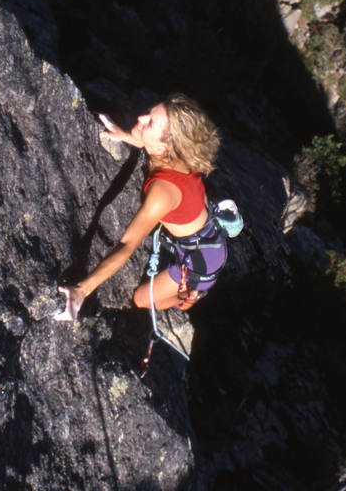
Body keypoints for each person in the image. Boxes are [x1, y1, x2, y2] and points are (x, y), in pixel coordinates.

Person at [54, 94, 227, 321]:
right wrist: (125, 135)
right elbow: (151, 146)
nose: (141, 117)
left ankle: (192, 295)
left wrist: (81, 291)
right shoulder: (177, 153)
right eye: (149, 113)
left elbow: (126, 246)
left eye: (150, 123)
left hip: (202, 260)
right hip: (207, 237)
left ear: (163, 146)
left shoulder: (163, 192)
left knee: (141, 299)